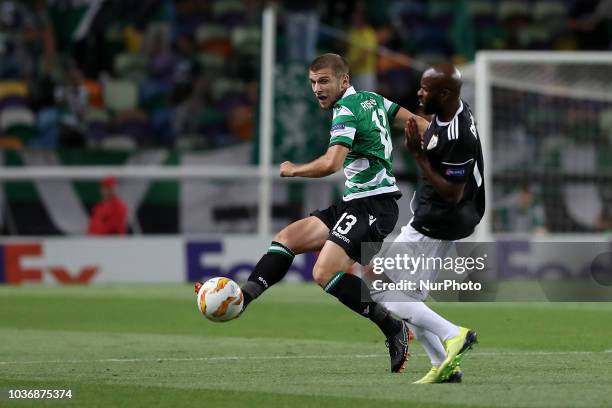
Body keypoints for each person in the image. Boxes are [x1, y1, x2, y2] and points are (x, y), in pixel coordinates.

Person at [195, 53, 429, 373]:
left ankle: (393, 328)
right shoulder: (372, 99)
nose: (317, 88)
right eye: (312, 82)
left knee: (323, 272)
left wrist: (294, 170)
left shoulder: (345, 110)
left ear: (343, 81)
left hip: (373, 205)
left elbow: (331, 163)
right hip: (356, 202)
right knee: (286, 238)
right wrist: (449, 144)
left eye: (324, 81)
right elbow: (421, 124)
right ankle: (241, 299)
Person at [370, 64, 484, 383]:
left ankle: (454, 335)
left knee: (377, 284)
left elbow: (452, 193)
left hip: (436, 221)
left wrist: (419, 157)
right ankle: (443, 366)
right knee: (408, 298)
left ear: (444, 94)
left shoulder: (457, 135)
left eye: (425, 88)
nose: (418, 93)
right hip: (439, 218)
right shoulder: (454, 111)